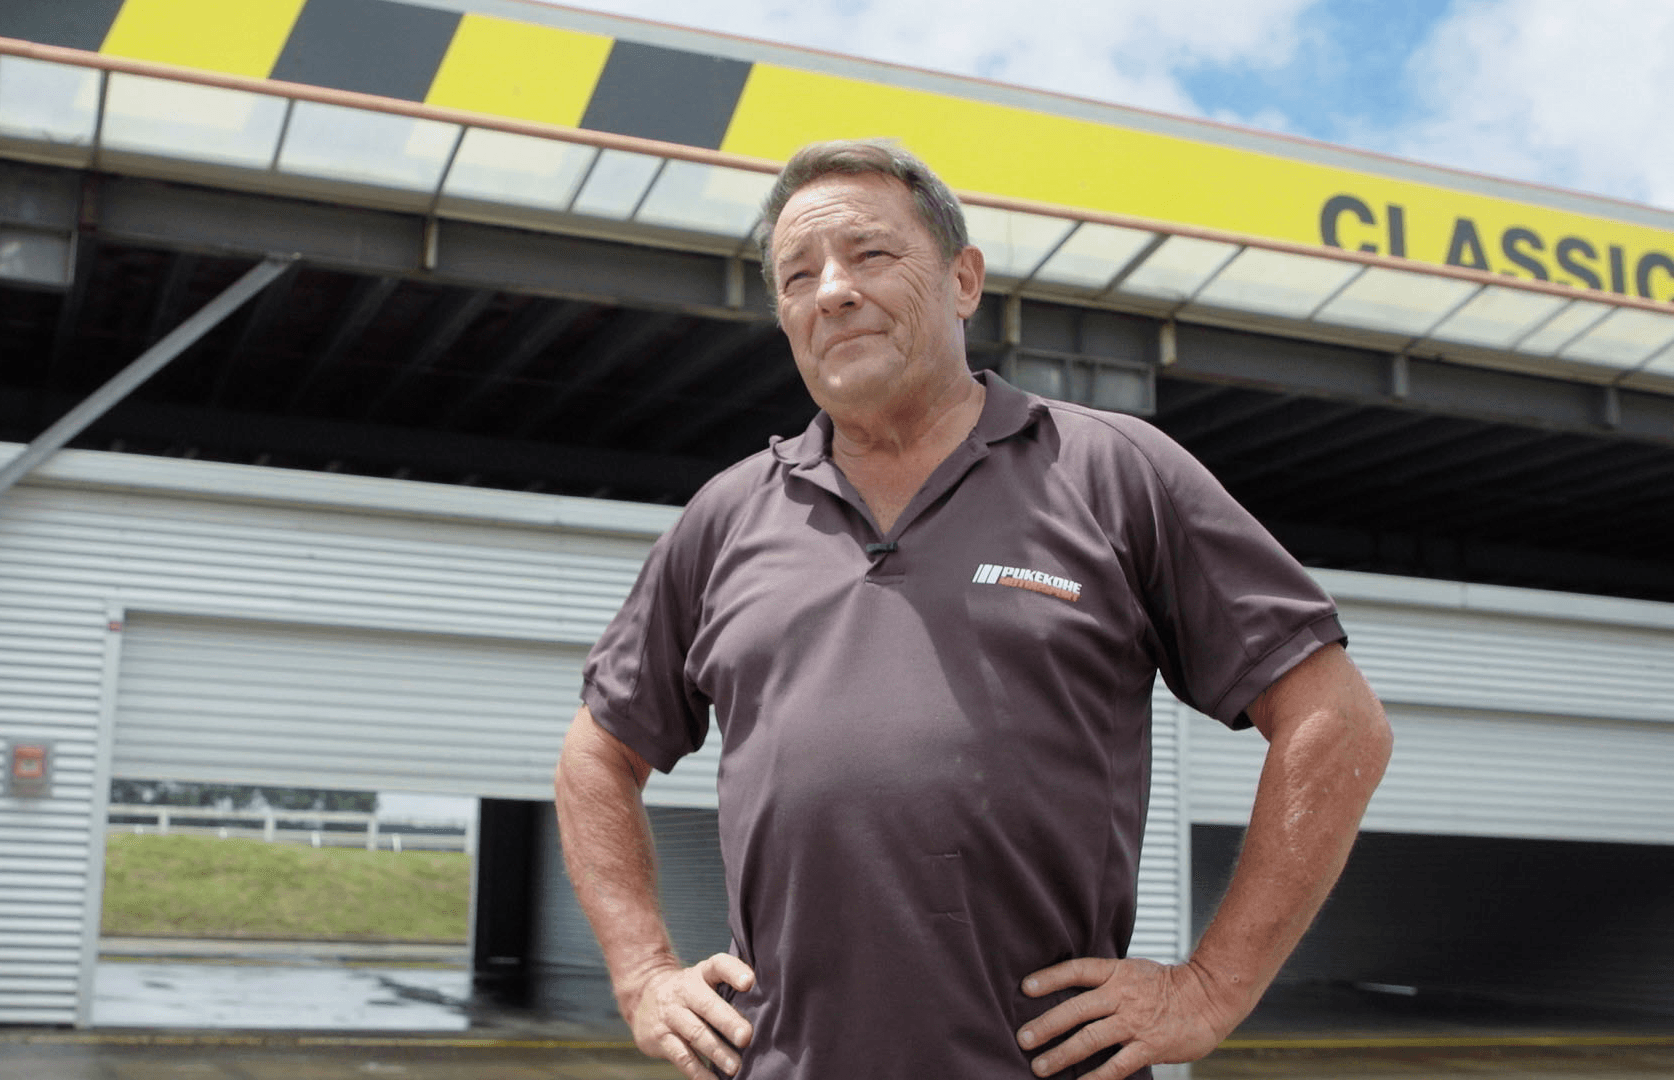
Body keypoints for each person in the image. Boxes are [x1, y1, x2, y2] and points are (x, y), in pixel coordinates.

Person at [552, 139, 1392, 1080]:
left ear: (962, 280)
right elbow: (598, 755)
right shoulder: (726, 516)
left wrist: (1212, 987)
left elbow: (1337, 722)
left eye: (871, 255)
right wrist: (643, 975)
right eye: (798, 275)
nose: (832, 290)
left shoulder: (1112, 472)